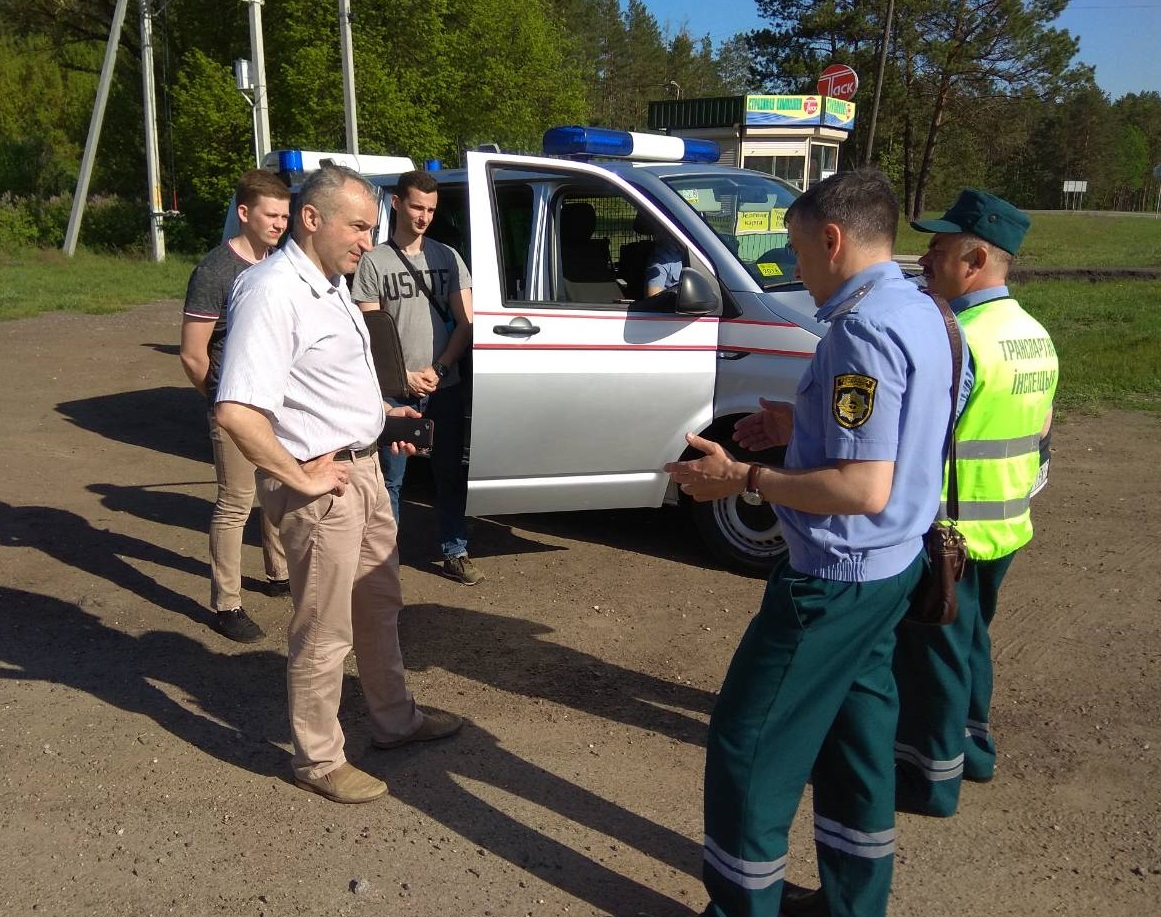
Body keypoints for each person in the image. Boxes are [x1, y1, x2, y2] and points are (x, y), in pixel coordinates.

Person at [664, 168, 955, 917]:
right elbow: (907, 431)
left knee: (748, 741)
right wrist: (801, 430)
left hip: (834, 576)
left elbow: (861, 488)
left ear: (832, 238)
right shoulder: (925, 310)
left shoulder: (861, 330)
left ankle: (740, 905)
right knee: (856, 740)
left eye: (796, 250)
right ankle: (853, 903)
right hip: (890, 567)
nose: (795, 268)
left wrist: (743, 476)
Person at [215, 164, 463, 805]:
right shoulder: (272, 292)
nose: (367, 240)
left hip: (364, 469)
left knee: (378, 609)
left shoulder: (330, 286)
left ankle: (394, 721)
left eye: (372, 227)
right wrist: (298, 476)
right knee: (325, 630)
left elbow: (325, 387)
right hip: (324, 488)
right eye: (359, 226)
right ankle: (318, 759)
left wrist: (384, 421)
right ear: (311, 218)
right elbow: (237, 410)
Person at [894, 189, 1057, 817]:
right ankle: (975, 751)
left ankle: (931, 781)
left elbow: (921, 435)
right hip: (1005, 525)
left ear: (977, 259)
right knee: (970, 643)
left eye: (938, 249)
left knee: (933, 656)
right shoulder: (1031, 333)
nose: (926, 260)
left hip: (948, 533)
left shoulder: (960, 339)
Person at [351, 170, 481, 585]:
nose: (423, 216)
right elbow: (370, 331)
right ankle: (384, 559)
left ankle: (455, 550)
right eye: (416, 207)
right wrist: (404, 376)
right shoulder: (373, 262)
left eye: (430, 209)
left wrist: (440, 368)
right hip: (392, 389)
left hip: (445, 384)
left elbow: (466, 323)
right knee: (390, 478)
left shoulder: (448, 257)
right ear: (396, 203)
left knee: (449, 472)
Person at [179, 169, 292, 643]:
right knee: (235, 503)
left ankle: (279, 573)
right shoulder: (214, 270)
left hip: (276, 404)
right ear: (244, 213)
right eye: (271, 215)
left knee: (277, 492)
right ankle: (226, 603)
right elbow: (192, 353)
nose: (279, 225)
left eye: (285, 217)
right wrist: (221, 402)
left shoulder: (278, 264)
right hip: (233, 403)